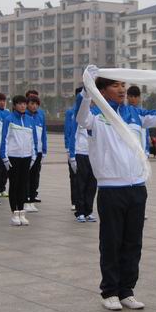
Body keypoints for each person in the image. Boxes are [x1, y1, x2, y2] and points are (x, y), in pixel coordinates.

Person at [75, 69, 156, 310]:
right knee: (111, 242)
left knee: (133, 243)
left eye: (123, 84)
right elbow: (81, 118)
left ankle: (126, 291)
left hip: (137, 188)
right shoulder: (95, 116)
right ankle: (109, 292)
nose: (122, 89)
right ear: (102, 91)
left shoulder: (136, 114)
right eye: (115, 85)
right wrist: (87, 91)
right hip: (111, 188)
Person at [0, 94, 38, 226]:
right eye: (20, 104)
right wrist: (4, 157)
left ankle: (22, 211)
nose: (23, 106)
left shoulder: (30, 120)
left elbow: (33, 140)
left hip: (26, 157)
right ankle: (14, 213)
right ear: (15, 105)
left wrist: (33, 156)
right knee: (14, 185)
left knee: (23, 185)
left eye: (24, 104)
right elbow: (4, 138)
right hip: (13, 157)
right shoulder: (9, 119)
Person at [69, 89, 98, 223]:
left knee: (92, 185)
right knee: (81, 184)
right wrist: (72, 157)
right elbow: (72, 137)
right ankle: (80, 211)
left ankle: (89, 211)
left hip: (92, 155)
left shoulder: (95, 115)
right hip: (80, 154)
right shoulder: (78, 117)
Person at [25, 94, 47, 212]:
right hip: (27, 152)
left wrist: (44, 149)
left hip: (38, 151)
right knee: (26, 176)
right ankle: (26, 199)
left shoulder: (40, 116)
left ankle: (32, 199)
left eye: (36, 104)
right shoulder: (25, 116)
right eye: (32, 104)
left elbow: (43, 134)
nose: (34, 106)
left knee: (35, 176)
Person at [64, 95, 80, 215]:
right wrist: (68, 148)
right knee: (74, 177)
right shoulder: (71, 112)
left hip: (86, 151)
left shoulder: (90, 111)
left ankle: (84, 202)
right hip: (73, 149)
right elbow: (67, 130)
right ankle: (74, 201)